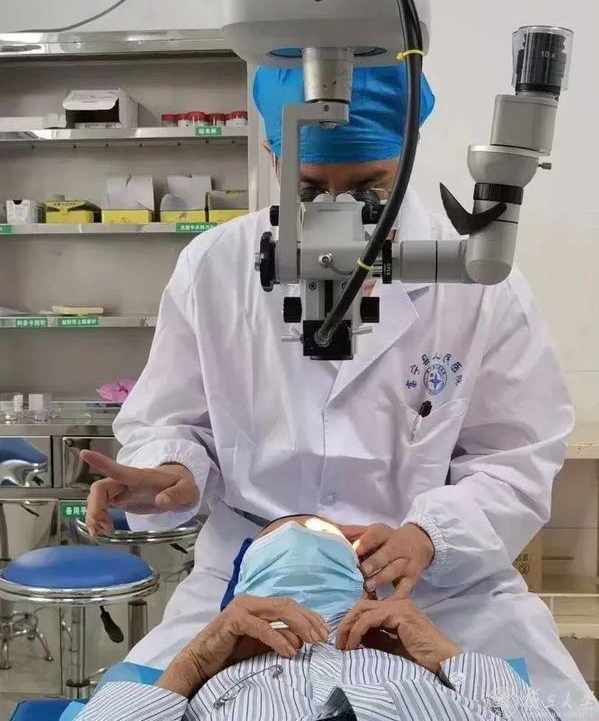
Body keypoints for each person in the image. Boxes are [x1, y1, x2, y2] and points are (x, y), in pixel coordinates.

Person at [82, 65, 596, 717]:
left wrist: (430, 536)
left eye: (367, 188)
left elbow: (514, 460)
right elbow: (171, 420)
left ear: (407, 156)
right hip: (250, 578)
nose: (335, 214)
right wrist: (173, 469)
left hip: (434, 589)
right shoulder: (214, 267)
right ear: (272, 155)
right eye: (307, 188)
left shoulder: (476, 280)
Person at [77, 515, 560, 720]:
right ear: (241, 593)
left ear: (366, 584)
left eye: (323, 537)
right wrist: (192, 667)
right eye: (278, 540)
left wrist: (447, 658)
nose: (300, 535)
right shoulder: (210, 678)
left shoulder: (419, 665)